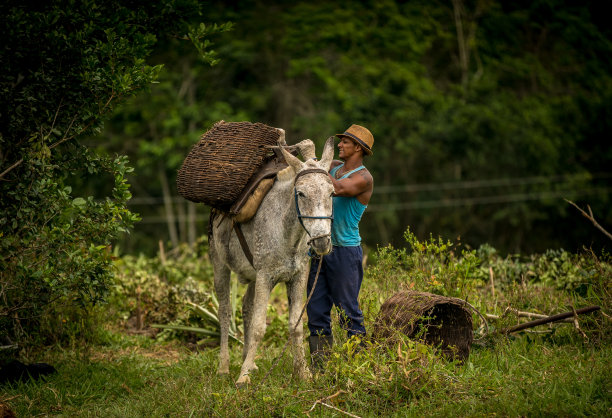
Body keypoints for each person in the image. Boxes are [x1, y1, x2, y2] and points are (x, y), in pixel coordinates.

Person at [307, 124, 374, 368]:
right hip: (319, 249)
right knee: (316, 310)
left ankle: (359, 366)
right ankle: (320, 367)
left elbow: (335, 188)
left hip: (345, 251)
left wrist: (310, 175)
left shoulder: (363, 178)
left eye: (345, 141)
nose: (340, 145)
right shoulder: (333, 167)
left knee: (348, 311)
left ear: (358, 147)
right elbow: (316, 165)